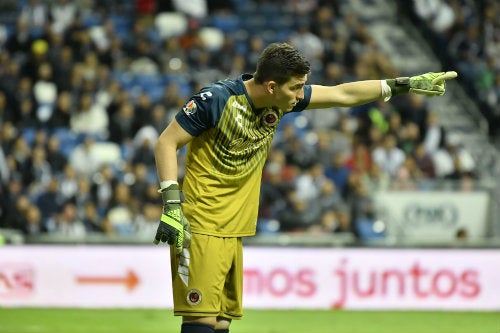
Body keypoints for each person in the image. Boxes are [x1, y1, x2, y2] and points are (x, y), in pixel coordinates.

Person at [152, 42, 457, 333]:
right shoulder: (215, 100)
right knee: (201, 321)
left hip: (233, 229)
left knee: (220, 322)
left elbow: (343, 94)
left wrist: (404, 84)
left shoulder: (280, 102)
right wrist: (172, 206)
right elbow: (166, 142)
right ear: (272, 86)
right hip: (202, 225)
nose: (300, 95)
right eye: (295, 88)